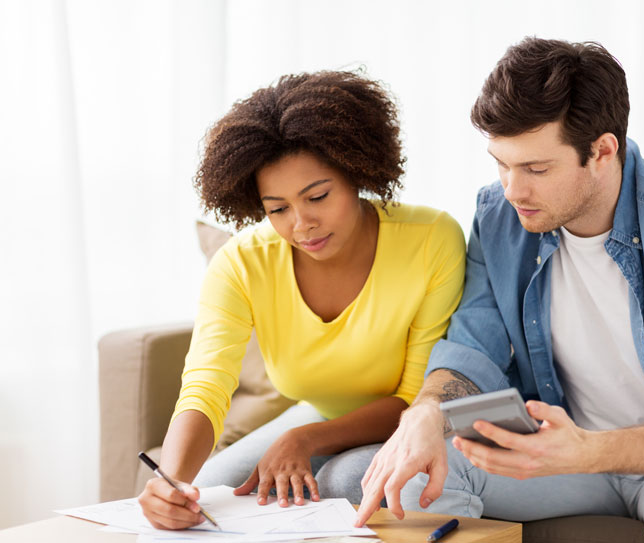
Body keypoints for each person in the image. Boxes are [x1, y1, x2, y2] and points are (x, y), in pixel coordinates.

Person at [349, 38, 644, 541]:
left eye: (536, 169)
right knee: (415, 478)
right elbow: (470, 351)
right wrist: (424, 414)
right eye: (501, 163)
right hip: (564, 456)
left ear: (602, 151)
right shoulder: (498, 216)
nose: (512, 190)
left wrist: (590, 449)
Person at [137, 70, 466, 530]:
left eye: (318, 196)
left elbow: (413, 398)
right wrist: (170, 483)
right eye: (277, 208)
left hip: (414, 425)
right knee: (206, 493)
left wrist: (306, 438)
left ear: (356, 172)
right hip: (323, 415)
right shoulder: (241, 264)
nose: (301, 224)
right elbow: (205, 387)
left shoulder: (431, 239)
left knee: (343, 479)